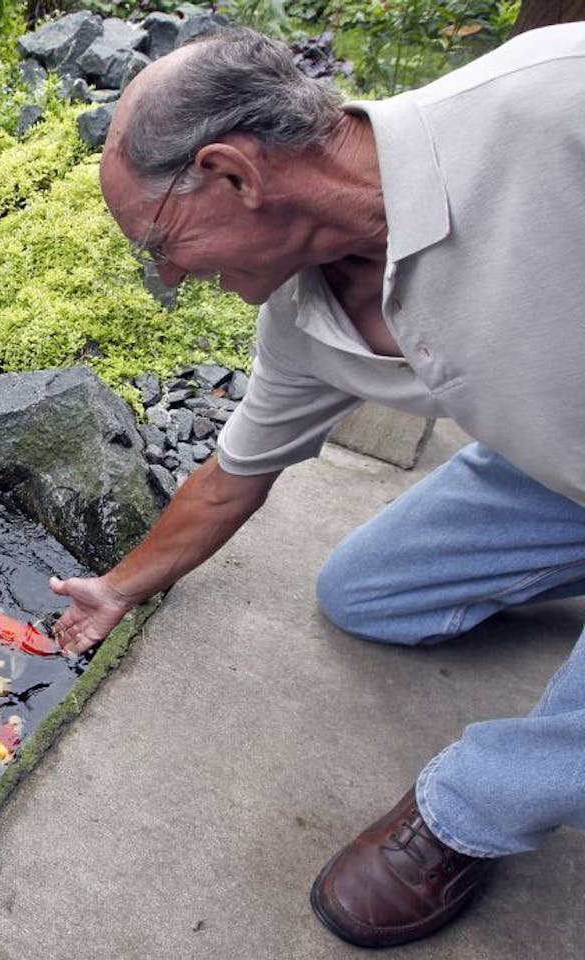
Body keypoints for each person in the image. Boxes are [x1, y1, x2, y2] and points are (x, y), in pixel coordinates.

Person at [49, 22, 585, 949]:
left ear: (234, 174)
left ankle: (469, 811)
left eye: (159, 244)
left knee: (499, 773)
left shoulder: (555, 104)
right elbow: (230, 478)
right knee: (365, 594)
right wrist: (116, 588)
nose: (170, 277)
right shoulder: (304, 316)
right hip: (561, 474)